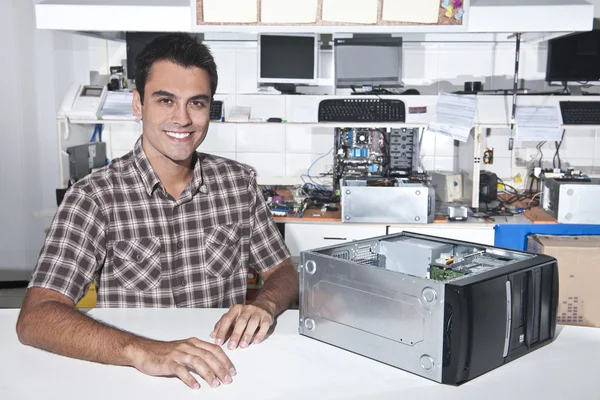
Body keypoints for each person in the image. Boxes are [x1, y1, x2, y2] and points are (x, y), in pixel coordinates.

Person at [16, 32, 299, 390]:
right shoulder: (94, 197)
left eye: (196, 103)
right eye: (166, 100)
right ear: (138, 105)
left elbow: (283, 270)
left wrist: (265, 305)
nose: (182, 119)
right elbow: (35, 317)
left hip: (224, 374)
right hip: (134, 378)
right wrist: (142, 350)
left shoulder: (238, 184)